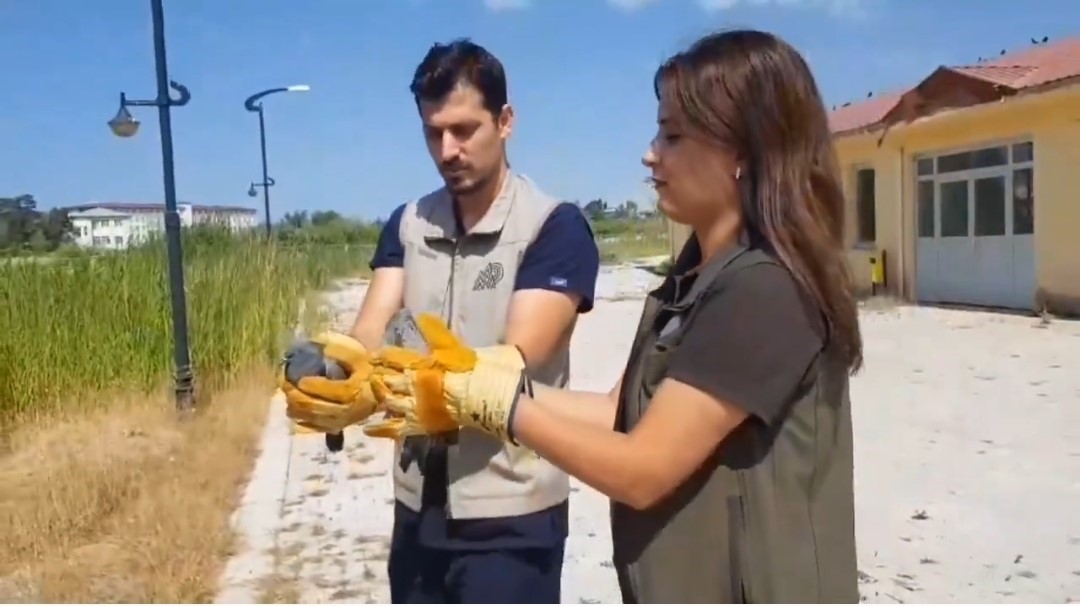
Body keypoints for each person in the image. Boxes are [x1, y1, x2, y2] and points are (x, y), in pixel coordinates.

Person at [360, 29, 862, 604]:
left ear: (742, 154)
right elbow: (612, 414)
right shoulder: (694, 276)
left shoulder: (765, 290)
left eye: (673, 136)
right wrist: (456, 380)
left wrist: (500, 405)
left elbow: (642, 469)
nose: (651, 153)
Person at [285, 38, 601, 603]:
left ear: (505, 121)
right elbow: (371, 329)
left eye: (463, 129)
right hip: (418, 506)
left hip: (511, 511)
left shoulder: (554, 226)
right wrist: (335, 370)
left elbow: (517, 357)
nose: (447, 149)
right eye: (433, 133)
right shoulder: (407, 224)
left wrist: (420, 381)